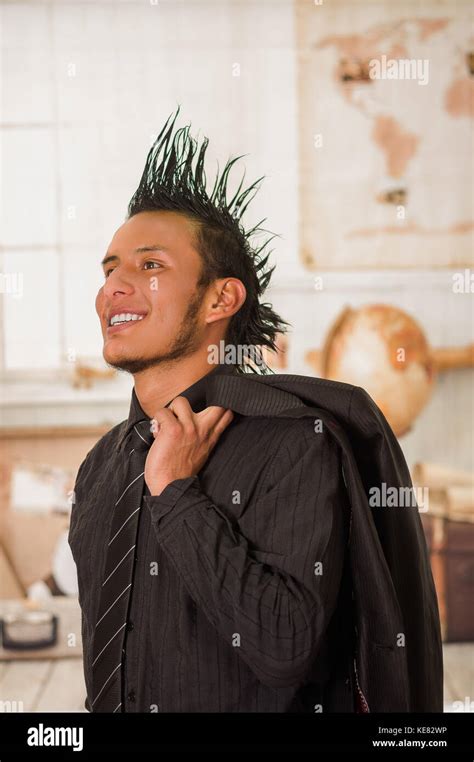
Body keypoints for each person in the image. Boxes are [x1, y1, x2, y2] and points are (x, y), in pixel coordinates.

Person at [69, 108, 442, 713]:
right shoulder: (100, 467)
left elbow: (285, 648)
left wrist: (178, 495)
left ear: (222, 297)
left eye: (150, 265)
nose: (114, 286)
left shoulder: (296, 445)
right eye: (110, 269)